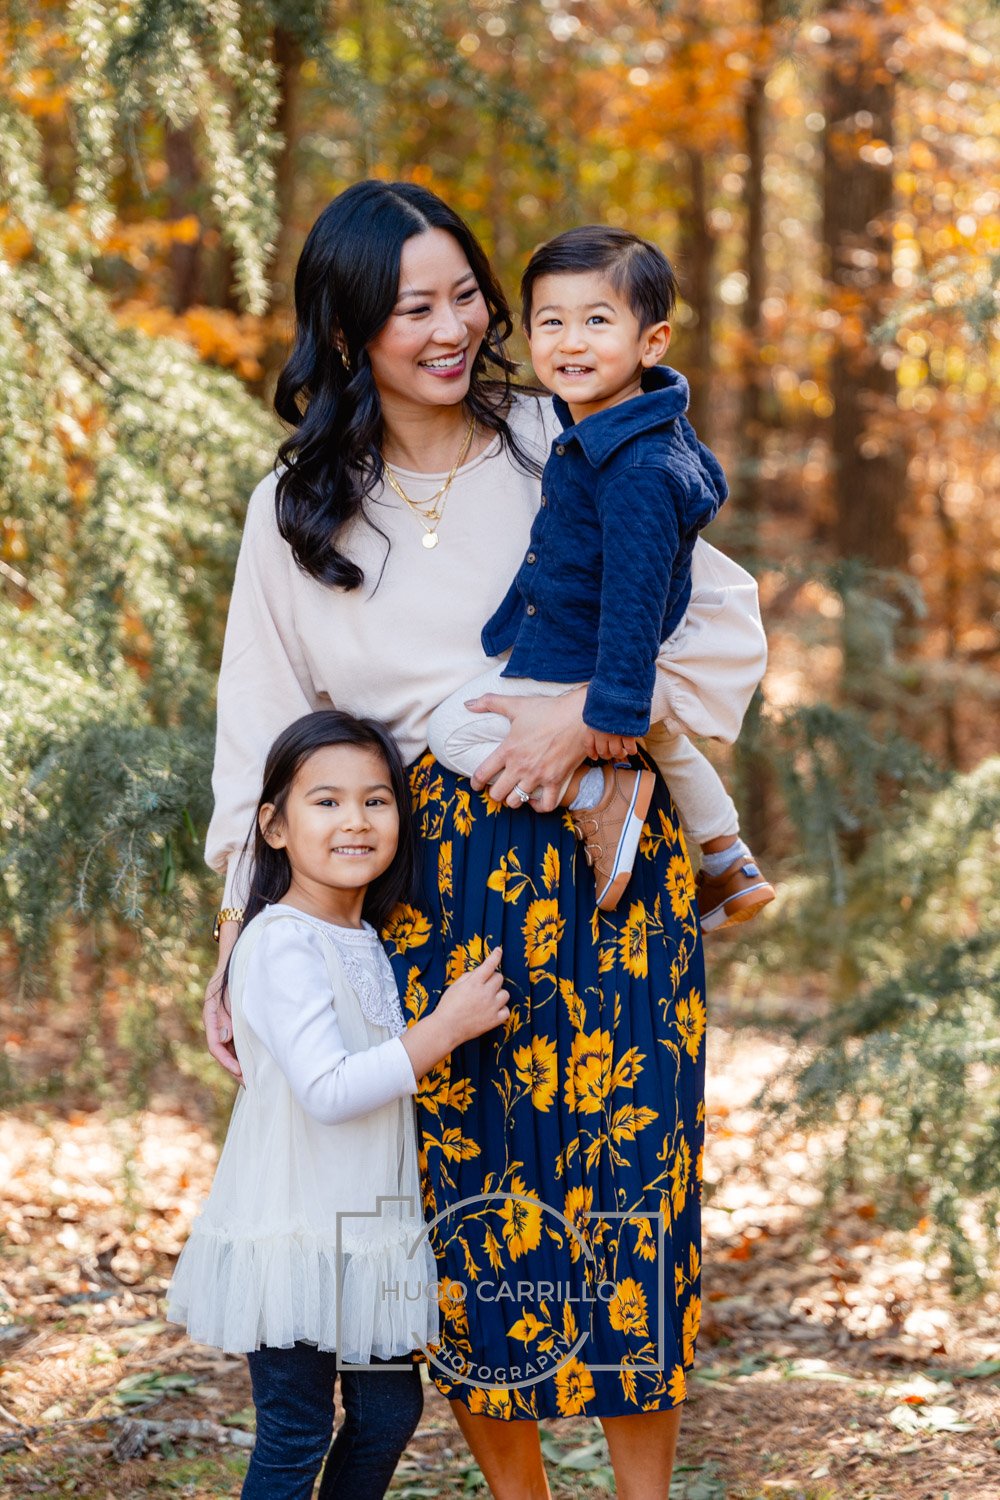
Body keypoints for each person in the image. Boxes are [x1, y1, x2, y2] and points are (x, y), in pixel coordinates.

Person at [204, 179, 710, 1500]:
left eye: (464, 295)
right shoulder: (300, 504)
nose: (448, 326)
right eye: (408, 305)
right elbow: (263, 722)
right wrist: (234, 937)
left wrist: (587, 730)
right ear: (348, 326)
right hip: (421, 895)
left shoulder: (573, 431)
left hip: (601, 864)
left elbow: (711, 621)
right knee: (475, 1227)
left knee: (626, 1200)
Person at [170, 709, 511, 1500]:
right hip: (295, 1232)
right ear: (275, 826)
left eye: (376, 800)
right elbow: (327, 1090)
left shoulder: (369, 938)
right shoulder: (281, 940)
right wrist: (445, 1028)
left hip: (368, 1237)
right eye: (325, 801)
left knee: (389, 1415)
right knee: (296, 1431)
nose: (355, 820)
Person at [427, 225, 774, 924]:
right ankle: (728, 856)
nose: (571, 342)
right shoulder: (615, 425)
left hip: (579, 656)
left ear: (652, 343)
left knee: (451, 732)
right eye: (550, 322)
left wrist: (604, 714)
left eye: (597, 321)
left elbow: (633, 599)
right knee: (666, 741)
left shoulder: (636, 468)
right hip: (592, 652)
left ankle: (598, 795)